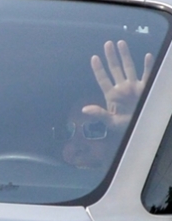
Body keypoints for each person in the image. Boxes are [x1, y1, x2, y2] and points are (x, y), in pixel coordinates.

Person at [62, 39, 153, 170]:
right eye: (68, 131)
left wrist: (137, 125)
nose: (78, 145)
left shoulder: (146, 184)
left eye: (94, 130)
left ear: (118, 134)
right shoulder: (41, 182)